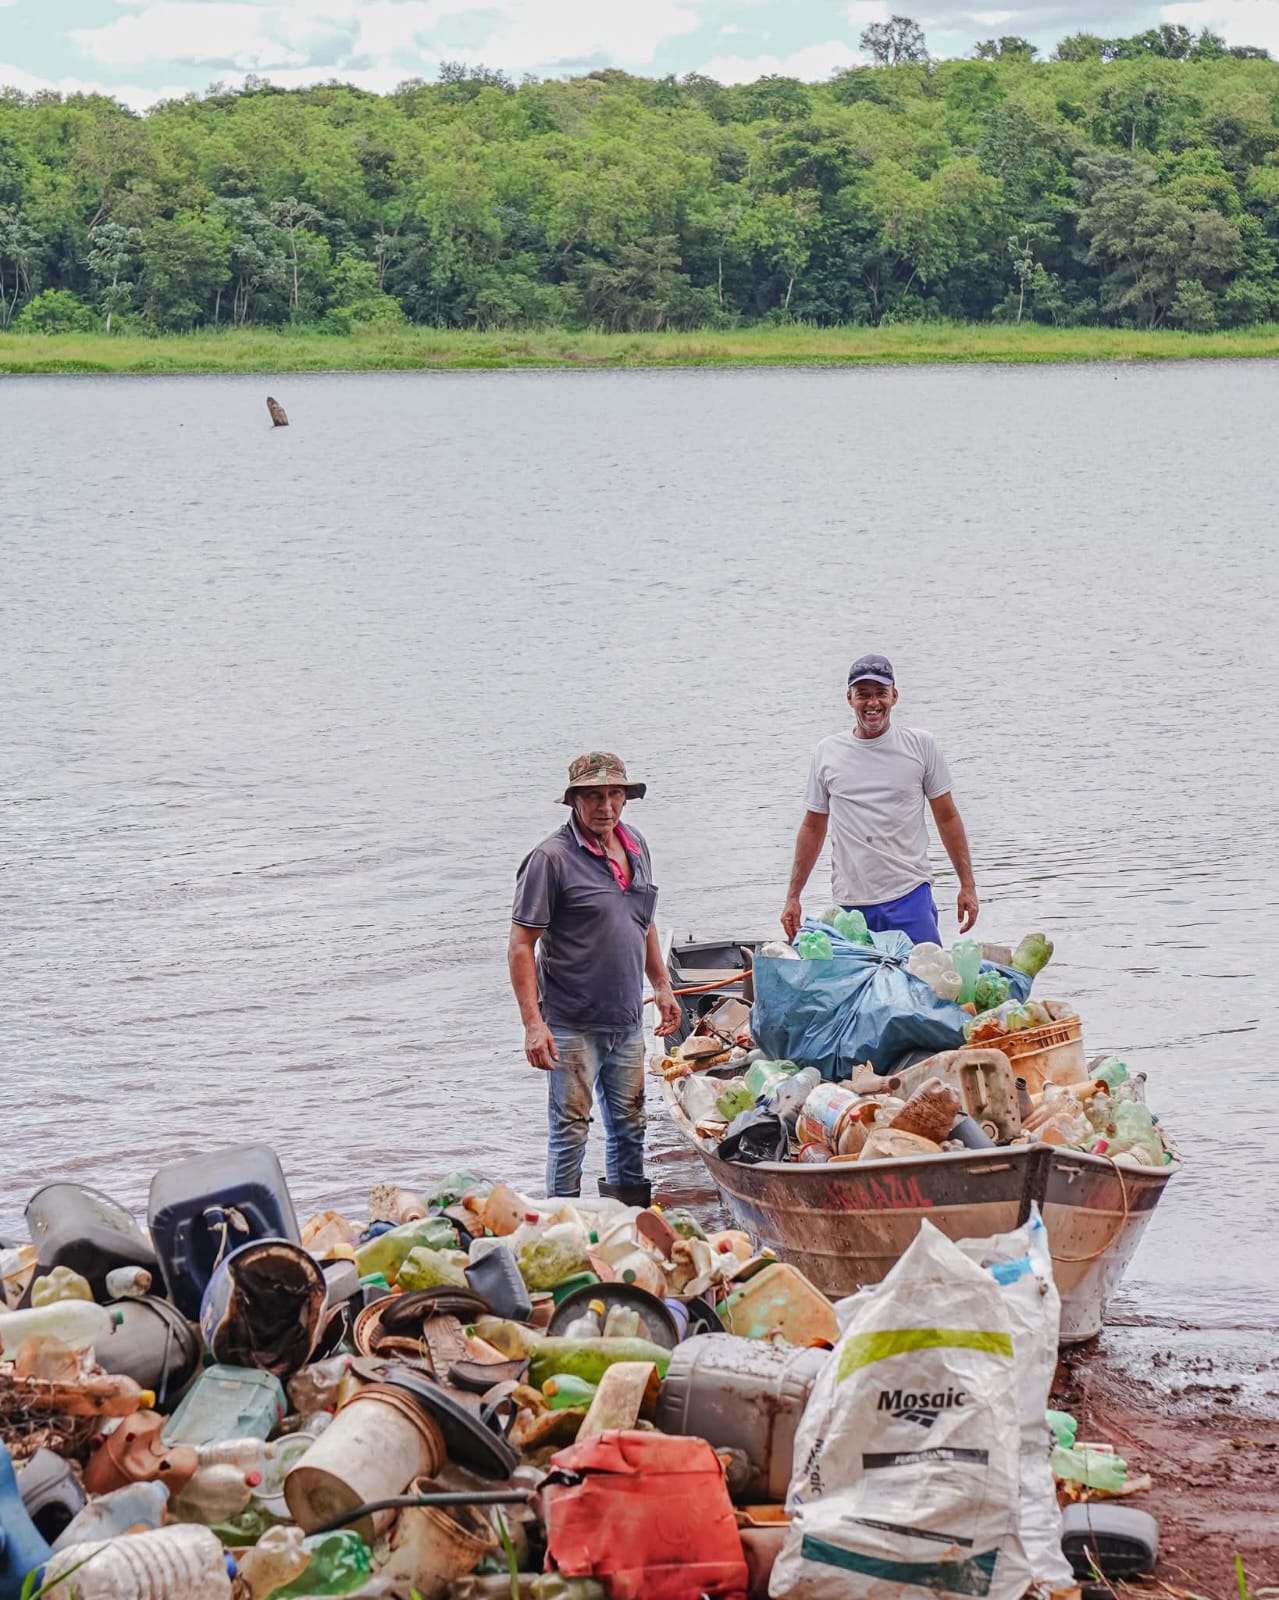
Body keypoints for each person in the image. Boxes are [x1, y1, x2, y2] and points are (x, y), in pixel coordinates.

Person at [509, 752, 681, 1203]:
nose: (606, 805)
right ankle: (560, 1232)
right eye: (593, 796)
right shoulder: (551, 859)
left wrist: (662, 985)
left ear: (625, 797)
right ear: (574, 801)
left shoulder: (637, 845)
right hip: (570, 1024)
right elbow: (521, 945)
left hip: (626, 1021)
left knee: (631, 1127)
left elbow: (641, 921)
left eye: (614, 794)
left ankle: (628, 1225)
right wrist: (533, 1024)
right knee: (570, 1132)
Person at [781, 655, 978, 946]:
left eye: (880, 694)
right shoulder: (828, 752)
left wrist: (967, 885)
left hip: (910, 895)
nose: (872, 703)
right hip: (851, 904)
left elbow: (947, 817)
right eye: (863, 695)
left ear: (894, 696)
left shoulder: (920, 746)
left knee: (924, 983)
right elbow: (812, 827)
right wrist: (793, 897)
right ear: (849, 698)